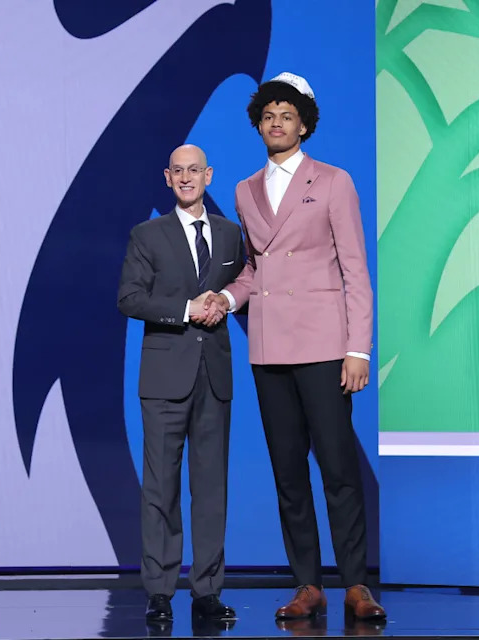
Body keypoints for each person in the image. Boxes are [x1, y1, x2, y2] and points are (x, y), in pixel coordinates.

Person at [205, 72, 385, 621]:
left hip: (325, 345)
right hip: (269, 348)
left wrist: (359, 349)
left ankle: (356, 584)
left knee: (337, 468)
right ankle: (308, 584)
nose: (277, 123)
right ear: (258, 126)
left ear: (304, 125)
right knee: (288, 472)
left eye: (287, 115)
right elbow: (254, 269)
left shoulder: (332, 181)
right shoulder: (244, 190)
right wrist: (226, 299)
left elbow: (355, 270)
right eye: (268, 116)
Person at [117, 144, 242, 625]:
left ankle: (207, 591)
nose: (186, 178)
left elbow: (243, 288)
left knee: (211, 489)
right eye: (178, 171)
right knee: (160, 489)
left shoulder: (230, 234)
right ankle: (160, 591)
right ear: (167, 178)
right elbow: (129, 298)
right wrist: (186, 309)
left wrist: (225, 300)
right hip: (164, 377)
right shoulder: (147, 234)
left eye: (194, 170)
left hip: (214, 376)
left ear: (208, 175)